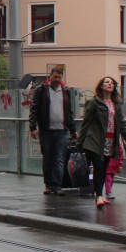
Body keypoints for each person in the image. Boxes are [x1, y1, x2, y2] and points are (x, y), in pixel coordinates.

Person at [78, 75, 126, 208]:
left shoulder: (116, 105)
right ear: (101, 86)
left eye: (112, 83)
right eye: (106, 82)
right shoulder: (94, 102)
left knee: (104, 169)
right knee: (98, 166)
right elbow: (86, 123)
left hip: (110, 141)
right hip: (95, 140)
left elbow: (121, 125)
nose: (109, 84)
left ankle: (100, 194)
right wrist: (80, 143)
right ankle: (99, 195)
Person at [28, 66, 76, 196]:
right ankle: (48, 184)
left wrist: (73, 130)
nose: (57, 79)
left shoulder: (66, 91)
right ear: (50, 77)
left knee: (59, 158)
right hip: (46, 130)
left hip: (62, 131)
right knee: (48, 158)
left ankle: (57, 185)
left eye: (59, 77)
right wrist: (33, 127)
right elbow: (34, 109)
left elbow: (69, 112)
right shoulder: (41, 90)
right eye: (55, 77)